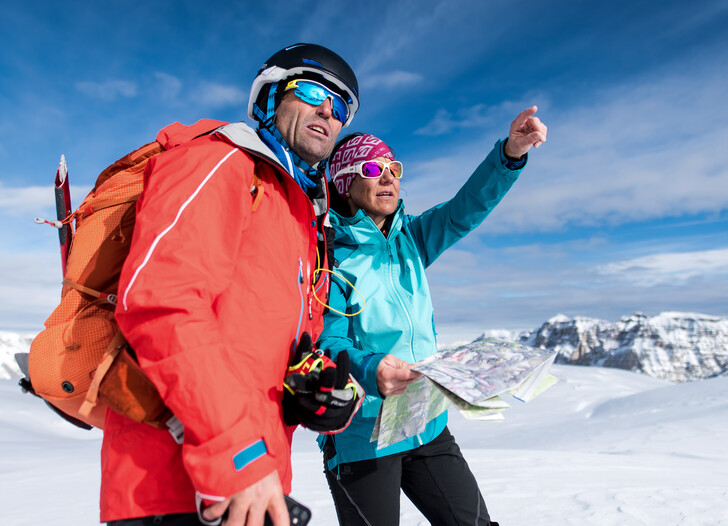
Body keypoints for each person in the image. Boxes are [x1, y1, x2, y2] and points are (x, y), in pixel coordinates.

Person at [105, 43, 362, 526]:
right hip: (176, 486)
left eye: (341, 105)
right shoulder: (220, 162)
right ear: (269, 97)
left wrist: (315, 393)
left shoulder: (303, 219)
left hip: (255, 484)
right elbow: (160, 304)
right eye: (311, 90)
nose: (329, 110)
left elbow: (272, 344)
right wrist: (238, 454)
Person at [317, 107, 548, 525]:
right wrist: (372, 370)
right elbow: (326, 345)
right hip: (362, 437)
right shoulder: (329, 257)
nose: (388, 177)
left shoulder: (412, 239)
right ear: (347, 184)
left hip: (425, 423)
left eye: (394, 167)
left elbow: (464, 210)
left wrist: (510, 154)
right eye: (373, 168)